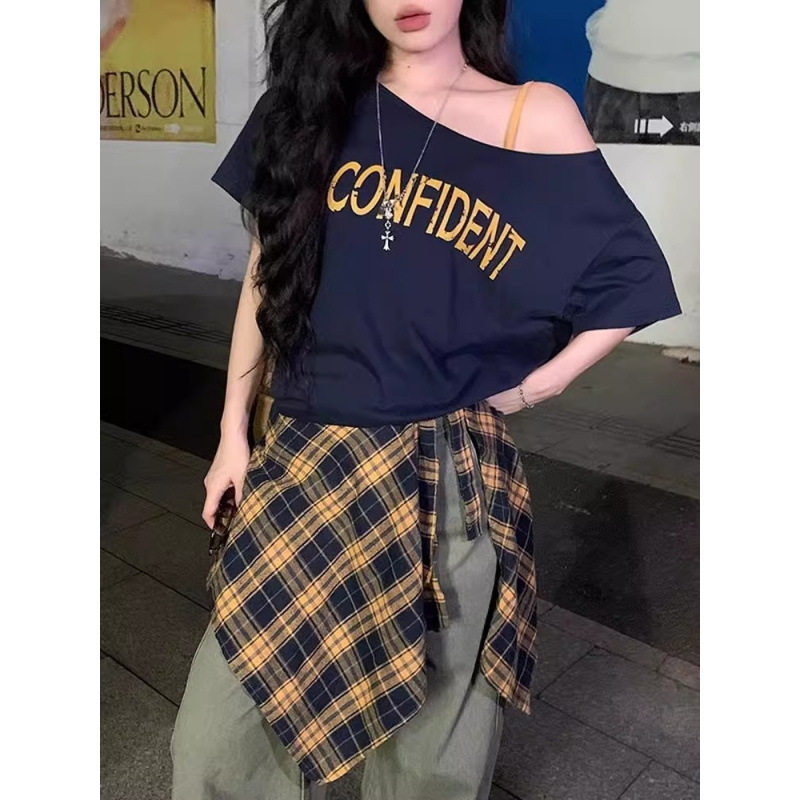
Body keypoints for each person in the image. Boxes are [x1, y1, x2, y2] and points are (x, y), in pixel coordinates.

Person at [170, 1, 682, 799]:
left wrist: (537, 385)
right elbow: (265, 276)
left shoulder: (531, 116)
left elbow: (630, 276)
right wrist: (232, 432)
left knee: (432, 758)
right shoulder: (307, 110)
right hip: (308, 458)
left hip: (448, 476)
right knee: (218, 744)